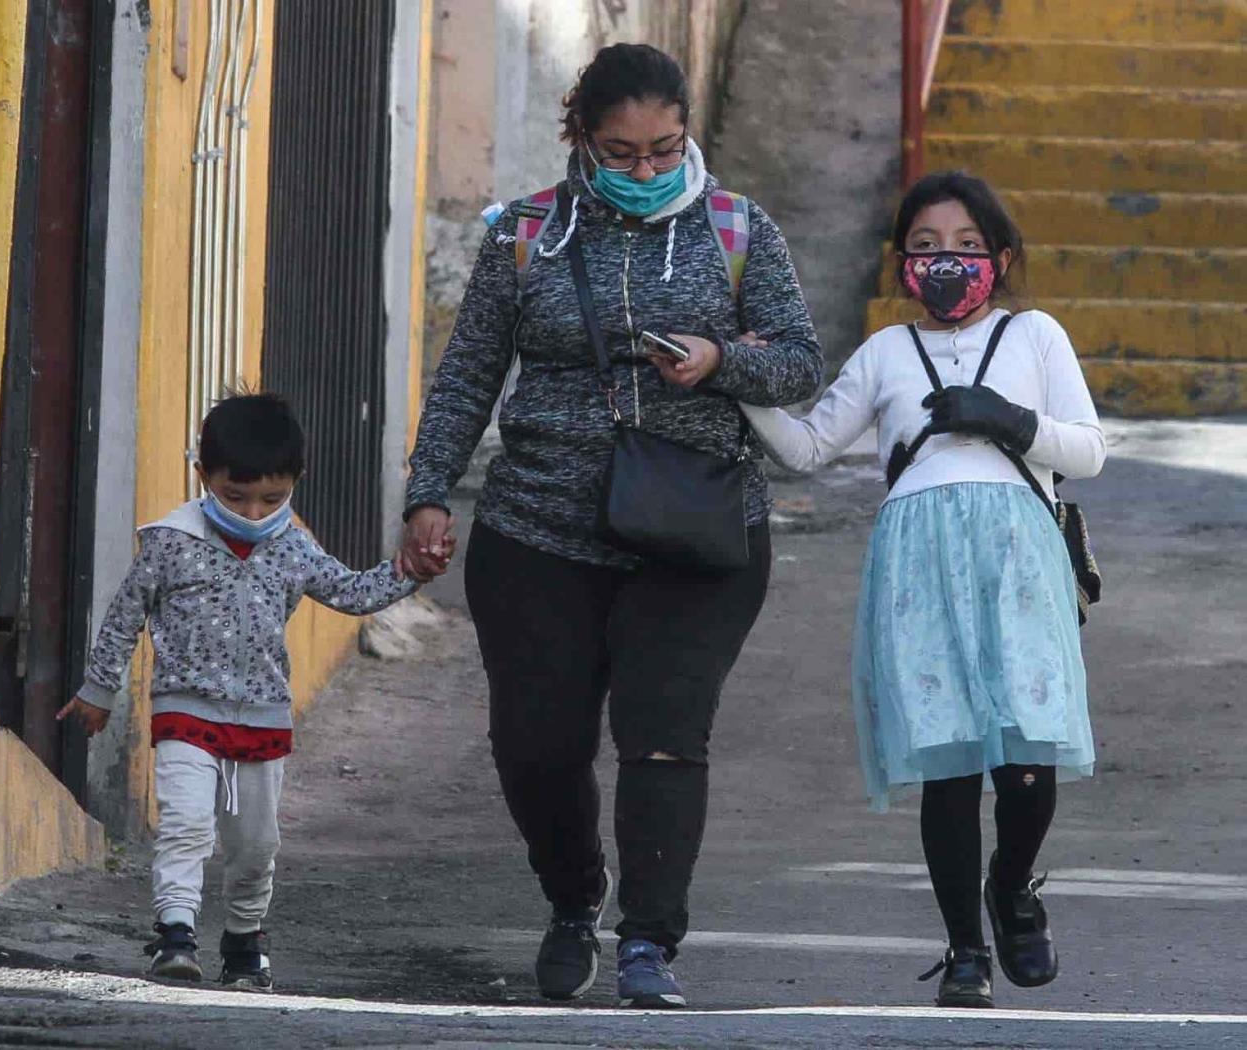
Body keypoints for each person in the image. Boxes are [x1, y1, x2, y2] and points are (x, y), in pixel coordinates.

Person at [399, 43, 822, 1008]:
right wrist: (429, 492)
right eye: (622, 153)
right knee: (536, 747)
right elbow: (469, 373)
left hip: (699, 531)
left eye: (664, 150)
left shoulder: (737, 228)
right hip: (537, 527)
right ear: (581, 138)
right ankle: (571, 902)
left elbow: (800, 362)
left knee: (665, 733)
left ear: (687, 136)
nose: (644, 172)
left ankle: (648, 942)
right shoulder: (524, 234)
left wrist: (721, 359)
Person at [740, 171, 1104, 1008]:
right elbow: (805, 450)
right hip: (917, 563)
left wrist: (1011, 422)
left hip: (1017, 558)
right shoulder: (883, 354)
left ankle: (1011, 890)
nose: (947, 263)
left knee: (1025, 755)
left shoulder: (1036, 335)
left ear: (1002, 257)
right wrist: (741, 382)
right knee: (948, 764)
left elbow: (1088, 449)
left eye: (968, 248)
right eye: (927, 248)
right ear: (902, 263)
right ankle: (964, 949)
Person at [58, 394, 440, 990]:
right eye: (235, 496)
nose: (254, 511)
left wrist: (408, 572)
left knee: (255, 845)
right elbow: (124, 614)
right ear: (202, 476)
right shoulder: (170, 541)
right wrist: (98, 689)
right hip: (184, 707)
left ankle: (243, 938)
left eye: (272, 498)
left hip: (262, 717)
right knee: (186, 822)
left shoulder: (294, 545)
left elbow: (350, 592)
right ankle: (176, 935)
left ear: (296, 483)